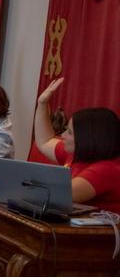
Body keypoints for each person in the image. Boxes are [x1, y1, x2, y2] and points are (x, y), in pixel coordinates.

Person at [32, 78, 120, 213]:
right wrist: (42, 103)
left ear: (88, 139)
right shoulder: (76, 154)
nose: (62, 135)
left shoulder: (107, 169)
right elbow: (45, 141)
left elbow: (60, 195)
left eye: (69, 132)